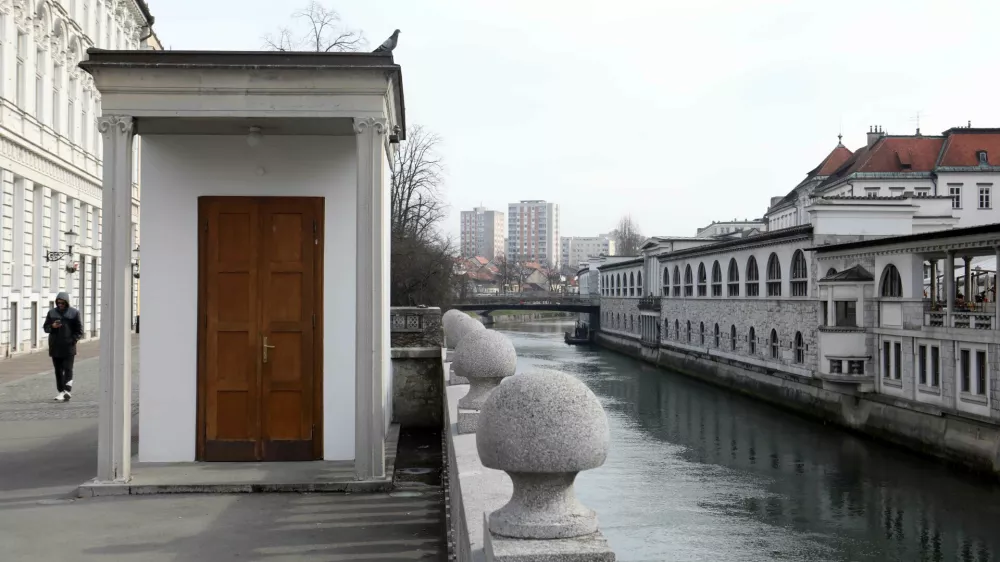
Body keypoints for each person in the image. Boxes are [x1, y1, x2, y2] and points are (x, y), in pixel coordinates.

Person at [43, 292, 83, 402]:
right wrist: (52, 326)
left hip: (69, 346)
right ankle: (60, 391)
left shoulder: (74, 313)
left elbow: (79, 331)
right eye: (58, 302)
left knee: (68, 368)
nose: (60, 304)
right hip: (55, 346)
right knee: (58, 370)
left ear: (67, 302)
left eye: (62, 303)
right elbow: (46, 328)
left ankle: (67, 391)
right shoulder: (51, 313)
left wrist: (73, 340)